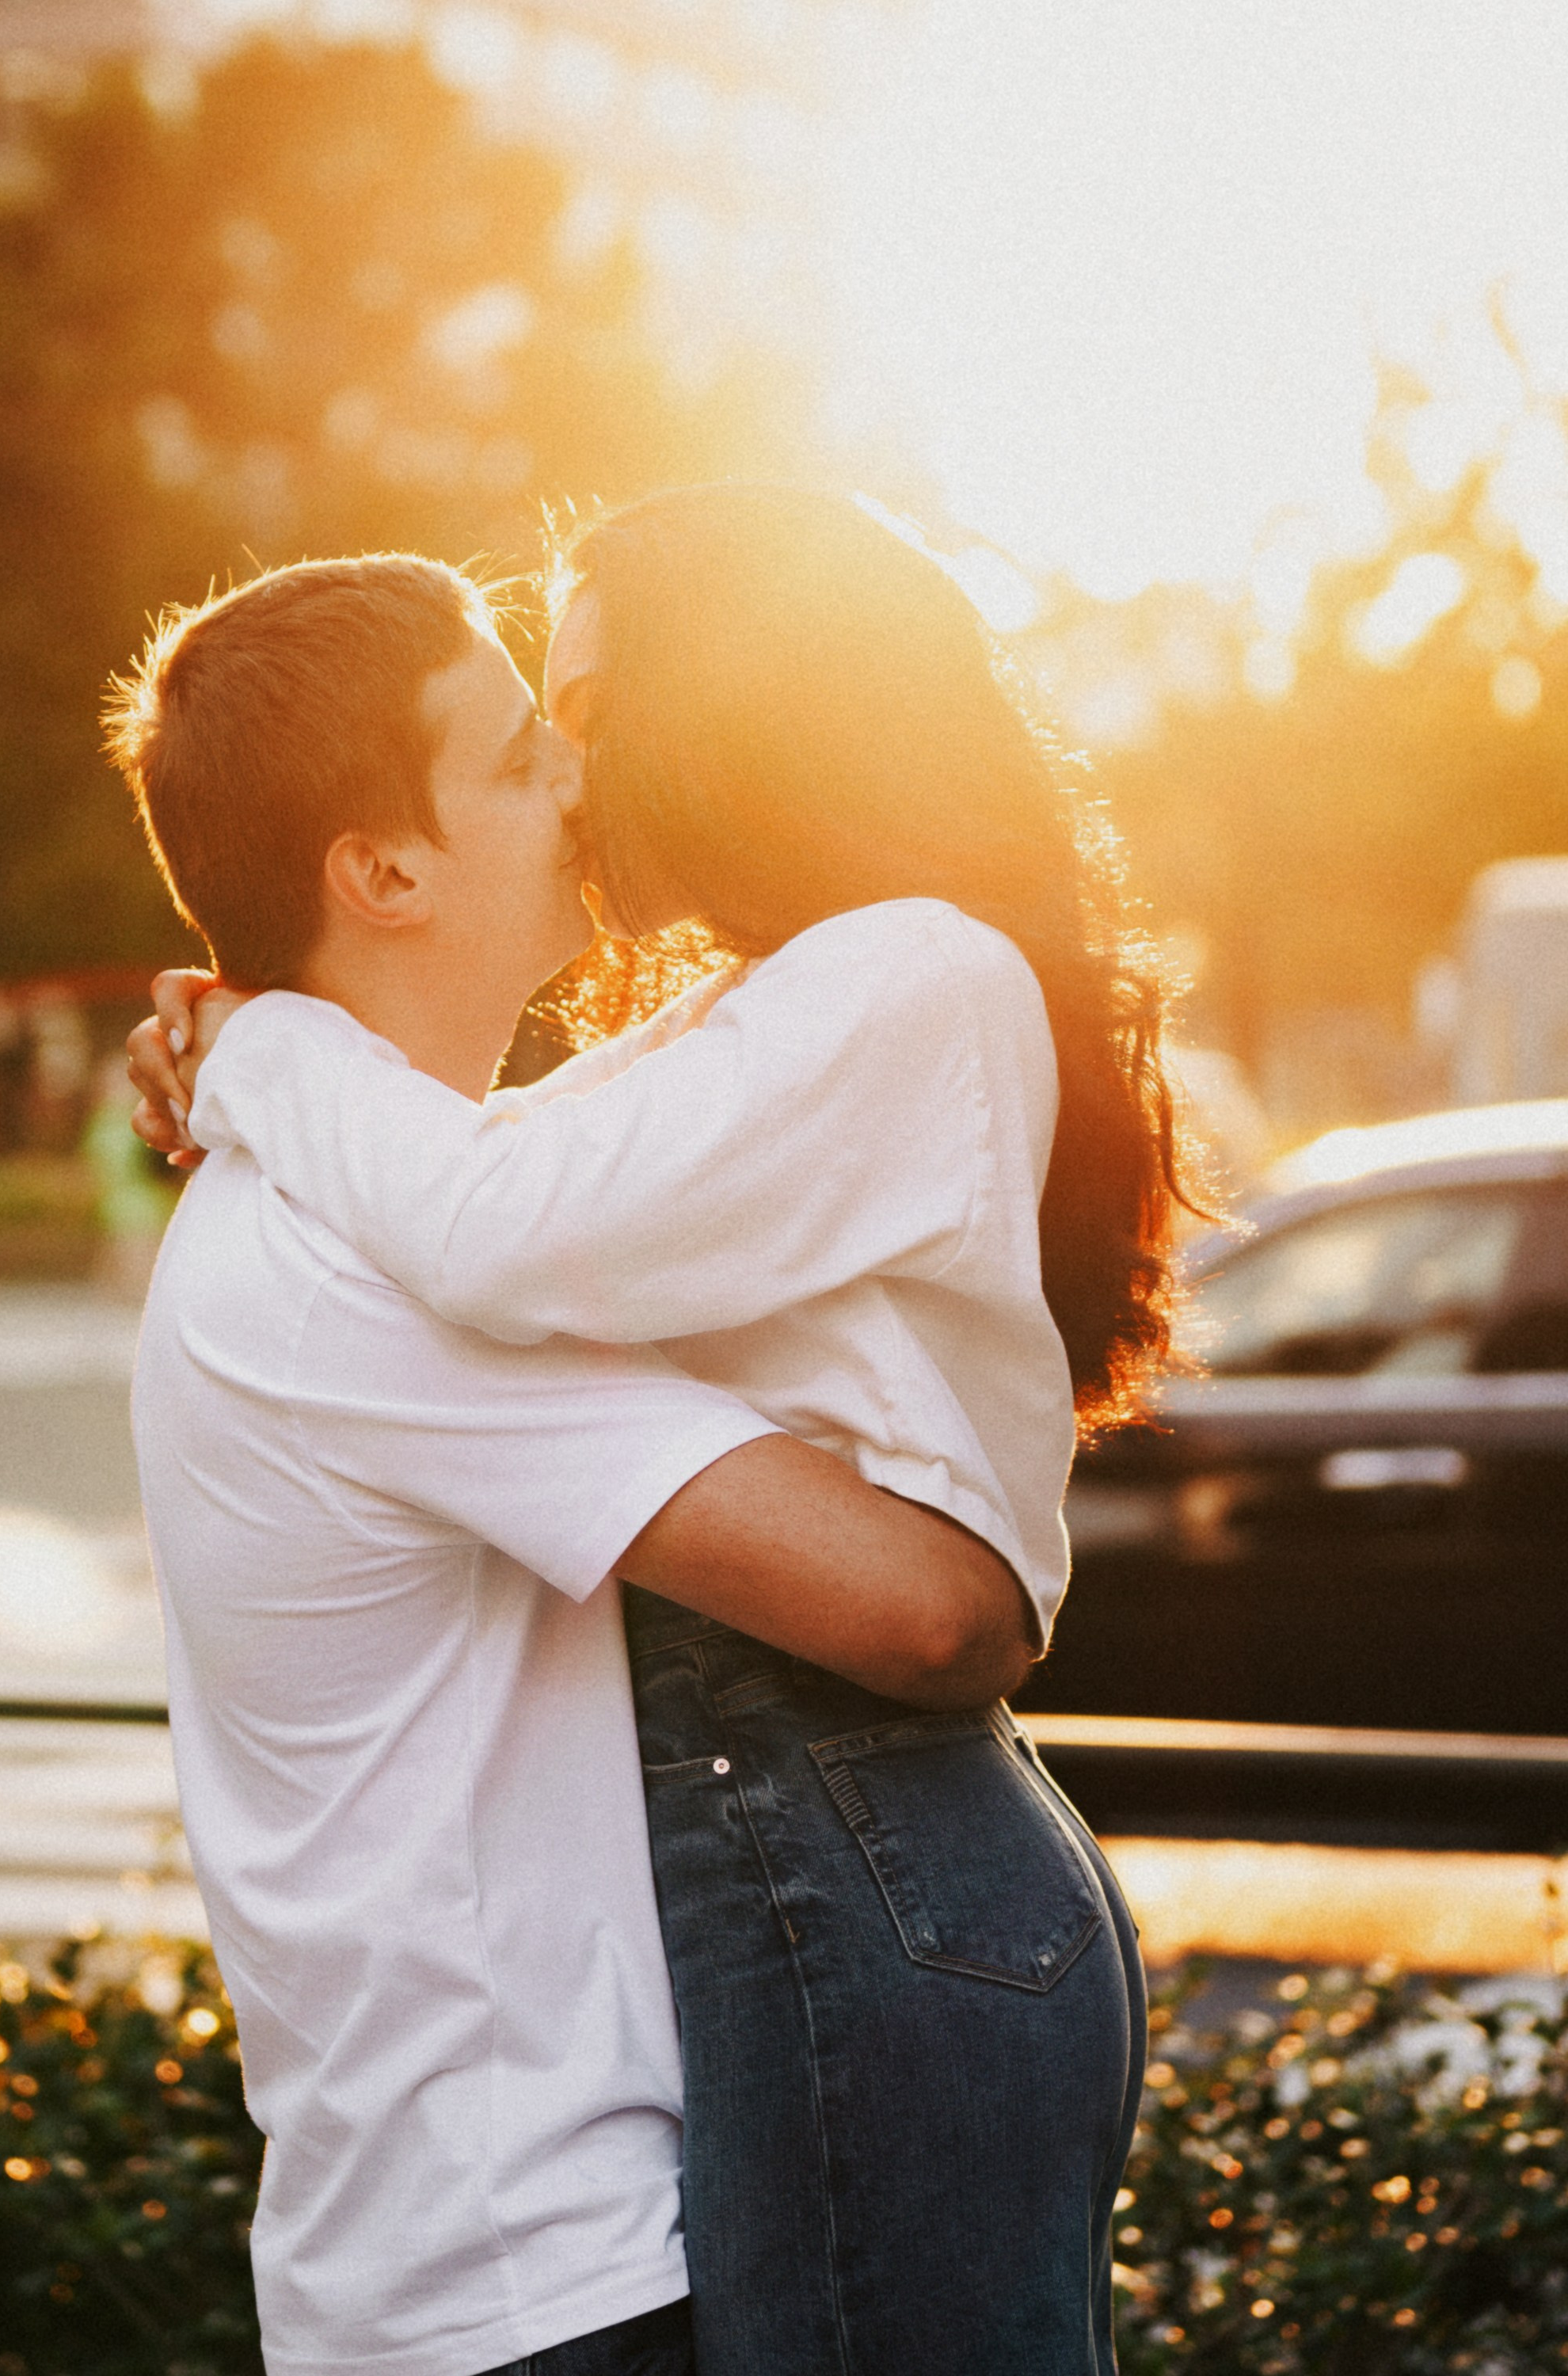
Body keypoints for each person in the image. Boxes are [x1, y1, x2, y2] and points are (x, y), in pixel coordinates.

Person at [132, 486, 1193, 2376]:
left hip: (678, 2077)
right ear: (381, 872)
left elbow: (506, 1215)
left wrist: (261, 1050)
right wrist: (252, 1052)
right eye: (535, 746)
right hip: (519, 2256)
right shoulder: (351, 1262)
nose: (580, 782)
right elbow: (502, 1199)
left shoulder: (853, 991)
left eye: (588, 725)